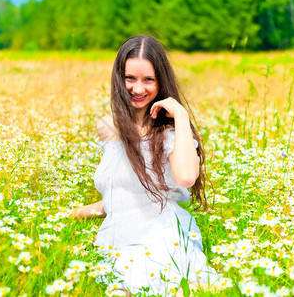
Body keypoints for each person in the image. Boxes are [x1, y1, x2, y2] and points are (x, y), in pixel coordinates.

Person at [72, 35, 218, 296]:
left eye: (148, 79)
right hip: (117, 241)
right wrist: (74, 214)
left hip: (162, 238)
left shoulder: (170, 131)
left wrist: (181, 116)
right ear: (119, 78)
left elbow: (185, 177)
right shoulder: (107, 127)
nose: (138, 89)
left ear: (160, 81)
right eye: (131, 78)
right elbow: (123, 196)